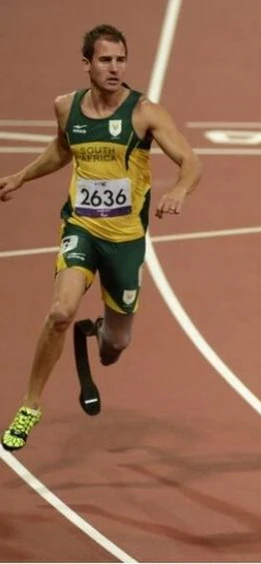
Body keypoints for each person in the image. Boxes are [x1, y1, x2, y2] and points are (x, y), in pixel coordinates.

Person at [0, 24, 202, 452]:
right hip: (81, 228)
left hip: (125, 241)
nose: (115, 68)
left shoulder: (144, 113)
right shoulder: (65, 107)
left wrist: (180, 189)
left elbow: (190, 160)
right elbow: (62, 149)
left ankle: (99, 333)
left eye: (121, 59)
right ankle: (31, 404)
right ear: (87, 64)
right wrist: (21, 176)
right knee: (60, 310)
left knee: (115, 345)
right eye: (106, 60)